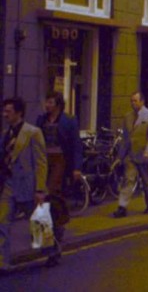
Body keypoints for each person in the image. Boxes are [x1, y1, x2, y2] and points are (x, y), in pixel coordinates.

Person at [0, 97, 47, 273]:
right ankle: (2, 261)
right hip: (9, 184)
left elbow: (41, 162)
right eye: (4, 111)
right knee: (2, 222)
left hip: (28, 184)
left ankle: (52, 251)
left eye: (8, 111)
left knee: (37, 222)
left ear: (19, 112)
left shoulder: (33, 132)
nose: (5, 114)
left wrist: (40, 189)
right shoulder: (6, 134)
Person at [35, 91, 82, 267]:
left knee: (48, 196)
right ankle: (50, 239)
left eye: (50, 102)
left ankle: (53, 239)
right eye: (46, 101)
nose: (47, 105)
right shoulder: (41, 120)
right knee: (43, 201)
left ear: (58, 104)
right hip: (43, 162)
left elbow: (76, 145)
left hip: (60, 161)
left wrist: (77, 168)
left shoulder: (69, 121)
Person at [113, 91, 148, 218]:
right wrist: (120, 157)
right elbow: (125, 139)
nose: (133, 103)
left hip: (144, 155)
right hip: (131, 155)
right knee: (128, 179)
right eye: (131, 101)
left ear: (142, 102)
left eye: (135, 101)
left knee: (147, 181)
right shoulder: (127, 117)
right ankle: (122, 207)